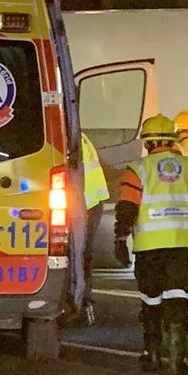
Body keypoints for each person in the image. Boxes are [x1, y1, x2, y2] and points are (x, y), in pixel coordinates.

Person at [113, 114, 188, 375]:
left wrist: (120, 239)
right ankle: (178, 360)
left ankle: (153, 356)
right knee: (179, 298)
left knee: (151, 300)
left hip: (151, 247)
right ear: (172, 140)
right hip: (186, 245)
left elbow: (127, 208)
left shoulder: (138, 170)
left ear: (147, 142)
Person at [79, 132, 109, 325]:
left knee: (80, 256)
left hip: (86, 204)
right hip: (90, 202)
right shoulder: (80, 136)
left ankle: (82, 301)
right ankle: (83, 300)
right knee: (82, 256)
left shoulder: (72, 138)